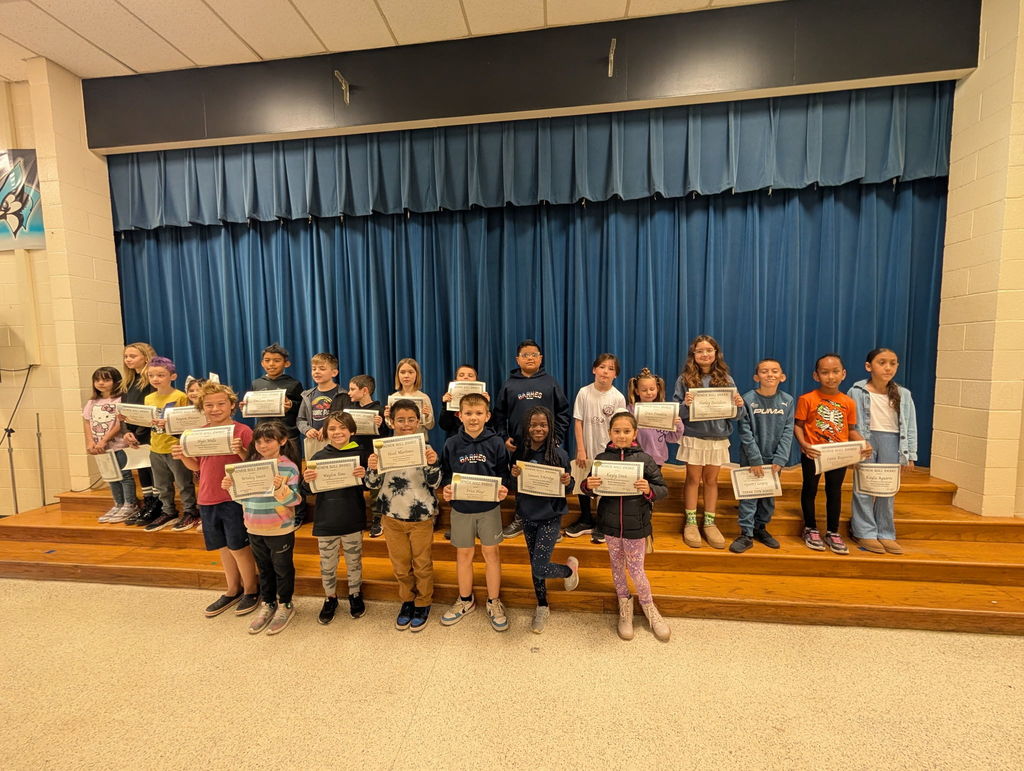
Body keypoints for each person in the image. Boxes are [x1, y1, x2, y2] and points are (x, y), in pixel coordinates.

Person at [172, 383, 260, 617]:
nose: (215, 409)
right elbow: (197, 467)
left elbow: (253, 465)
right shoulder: (197, 433)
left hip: (234, 498)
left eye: (221, 403)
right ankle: (232, 589)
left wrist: (240, 450)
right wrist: (183, 457)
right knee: (222, 547)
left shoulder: (242, 431)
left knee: (239, 546)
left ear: (232, 405)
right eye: (209, 405)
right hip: (208, 497)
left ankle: (251, 589)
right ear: (202, 407)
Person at [581, 411, 670, 641]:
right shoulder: (602, 458)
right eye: (617, 431)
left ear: (635, 433)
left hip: (636, 525)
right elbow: (588, 487)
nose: (621, 436)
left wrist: (648, 489)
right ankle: (625, 606)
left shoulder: (645, 459)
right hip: (610, 525)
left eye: (626, 431)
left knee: (637, 570)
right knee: (617, 567)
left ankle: (649, 607)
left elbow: (662, 489)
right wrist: (588, 485)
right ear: (609, 432)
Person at [365, 400, 442, 632]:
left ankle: (423, 602)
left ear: (418, 422)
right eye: (401, 420)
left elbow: (435, 483)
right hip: (391, 516)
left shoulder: (427, 448)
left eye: (411, 420)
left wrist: (433, 464)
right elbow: (371, 484)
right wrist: (372, 467)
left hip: (421, 517)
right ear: (391, 421)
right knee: (400, 565)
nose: (406, 424)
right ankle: (407, 600)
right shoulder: (382, 448)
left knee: (421, 563)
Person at [440, 393, 511, 631]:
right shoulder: (451, 443)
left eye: (478, 413)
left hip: (489, 508)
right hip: (461, 508)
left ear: (487, 416)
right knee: (464, 556)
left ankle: (494, 601)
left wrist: (504, 488)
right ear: (459, 415)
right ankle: (465, 600)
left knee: (492, 554)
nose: (473, 418)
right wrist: (447, 488)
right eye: (468, 413)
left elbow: (504, 473)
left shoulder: (496, 442)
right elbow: (446, 473)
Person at [222, 420, 302, 635]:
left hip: (280, 528)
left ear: (282, 441)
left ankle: (285, 604)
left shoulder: (289, 466)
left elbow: (295, 500)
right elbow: (243, 500)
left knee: (282, 569)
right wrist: (231, 488)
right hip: (254, 526)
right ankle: (268, 603)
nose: (262, 445)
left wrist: (280, 488)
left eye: (268, 441)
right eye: (258, 441)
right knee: (264, 568)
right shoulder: (249, 466)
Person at [794, 353, 873, 555]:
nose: (831, 376)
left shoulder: (848, 402)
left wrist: (863, 443)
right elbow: (798, 426)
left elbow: (851, 429)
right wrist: (803, 444)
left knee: (834, 491)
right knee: (810, 488)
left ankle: (832, 531)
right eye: (825, 372)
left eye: (835, 371)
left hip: (838, 454)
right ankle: (810, 527)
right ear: (816, 375)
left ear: (843, 374)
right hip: (813, 453)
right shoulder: (807, 399)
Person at [510, 406, 580, 633]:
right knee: (535, 564)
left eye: (542, 425)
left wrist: (567, 481)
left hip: (550, 516)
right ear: (526, 427)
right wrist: (514, 477)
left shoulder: (559, 454)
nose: (537, 429)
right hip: (528, 514)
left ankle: (569, 571)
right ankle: (542, 605)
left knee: (540, 567)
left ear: (549, 427)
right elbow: (514, 487)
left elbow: (569, 488)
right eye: (533, 425)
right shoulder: (521, 452)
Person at [673, 335, 745, 550]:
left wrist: (739, 406)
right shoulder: (684, 379)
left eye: (709, 350)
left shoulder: (727, 379)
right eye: (700, 351)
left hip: (717, 438)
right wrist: (685, 405)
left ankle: (710, 522)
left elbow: (736, 416)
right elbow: (677, 413)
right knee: (693, 479)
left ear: (716, 354)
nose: (705, 354)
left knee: (711, 480)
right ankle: (691, 522)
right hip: (694, 437)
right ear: (693, 355)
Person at [494, 340, 570, 539]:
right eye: (525, 355)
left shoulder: (550, 382)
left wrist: (557, 436)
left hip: (547, 445)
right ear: (517, 359)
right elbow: (499, 414)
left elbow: (563, 411)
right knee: (521, 481)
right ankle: (521, 518)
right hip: (520, 445)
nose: (530, 358)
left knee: (549, 482)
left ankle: (551, 523)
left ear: (541, 358)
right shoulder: (509, 384)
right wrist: (504, 437)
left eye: (534, 354)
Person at [847, 348, 919, 555]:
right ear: (869, 366)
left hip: (892, 441)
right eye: (882, 362)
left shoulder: (903, 394)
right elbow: (850, 423)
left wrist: (910, 454)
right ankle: (864, 531)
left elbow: (910, 425)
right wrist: (854, 448)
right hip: (866, 442)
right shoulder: (857, 391)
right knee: (864, 488)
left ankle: (886, 532)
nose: (888, 367)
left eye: (893, 363)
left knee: (887, 489)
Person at [302, 411, 368, 624]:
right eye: (332, 428)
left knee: (354, 561)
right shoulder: (319, 457)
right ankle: (330, 597)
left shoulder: (361, 454)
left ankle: (355, 594)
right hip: (326, 520)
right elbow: (307, 490)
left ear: (352, 431)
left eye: (342, 428)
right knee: (327, 564)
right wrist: (306, 480)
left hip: (352, 518)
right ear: (325, 432)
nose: (337, 432)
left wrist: (365, 476)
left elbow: (372, 484)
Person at [730, 359, 795, 553]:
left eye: (775, 371)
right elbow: (745, 431)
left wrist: (780, 459)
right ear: (756, 377)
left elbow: (788, 430)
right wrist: (755, 459)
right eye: (765, 371)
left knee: (768, 497)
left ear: (782, 377)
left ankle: (761, 528)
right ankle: (746, 533)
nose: (770, 375)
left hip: (774, 459)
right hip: (751, 459)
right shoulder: (748, 399)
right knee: (749, 496)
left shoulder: (788, 400)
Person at [565, 353, 626, 544]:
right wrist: (580, 449)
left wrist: (615, 452)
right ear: (594, 370)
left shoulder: (618, 398)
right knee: (583, 481)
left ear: (616, 374)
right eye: (602, 367)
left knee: (604, 486)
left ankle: (602, 523)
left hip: (607, 451)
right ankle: (585, 519)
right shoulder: (584, 393)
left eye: (610, 368)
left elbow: (620, 427)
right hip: (586, 448)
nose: (605, 372)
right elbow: (578, 422)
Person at [143, 356, 197, 532]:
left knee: (183, 482)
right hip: (156, 446)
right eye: (151, 375)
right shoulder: (149, 398)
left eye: (160, 375)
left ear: (172, 377)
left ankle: (190, 511)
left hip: (174, 447)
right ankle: (168, 511)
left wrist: (168, 423)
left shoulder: (180, 396)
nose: (156, 379)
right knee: (161, 484)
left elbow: (187, 422)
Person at [438, 364, 489, 540]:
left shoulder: (484, 400)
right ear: (455, 380)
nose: (466, 378)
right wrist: (446, 405)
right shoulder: (450, 399)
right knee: (457, 482)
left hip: (481, 446)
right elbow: (443, 425)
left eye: (470, 375)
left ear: (477, 380)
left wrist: (487, 402)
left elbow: (493, 423)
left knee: (479, 482)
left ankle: (481, 526)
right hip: (457, 446)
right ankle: (459, 526)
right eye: (461, 375)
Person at [83, 367, 138, 524]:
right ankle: (118, 504)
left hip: (118, 445)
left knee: (124, 475)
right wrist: (90, 441)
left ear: (116, 382)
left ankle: (130, 503)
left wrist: (104, 439)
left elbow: (119, 424)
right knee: (111, 476)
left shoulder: (120, 400)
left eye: (106, 380)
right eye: (97, 380)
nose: (101, 383)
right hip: (100, 448)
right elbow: (87, 422)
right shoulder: (92, 402)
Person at [120, 342, 160, 525]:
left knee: (153, 469)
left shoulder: (151, 382)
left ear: (146, 357)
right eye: (126, 356)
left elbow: (150, 410)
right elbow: (123, 411)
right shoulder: (128, 382)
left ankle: (158, 505)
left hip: (148, 433)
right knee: (142, 468)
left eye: (133, 356)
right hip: (132, 433)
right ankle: (147, 502)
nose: (128, 360)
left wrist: (140, 433)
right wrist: (126, 432)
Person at [347, 373, 389, 537]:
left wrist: (382, 425)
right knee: (355, 488)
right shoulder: (351, 410)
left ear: (364, 390)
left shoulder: (379, 410)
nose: (349, 393)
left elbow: (386, 435)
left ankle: (378, 520)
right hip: (355, 453)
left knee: (375, 490)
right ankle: (358, 520)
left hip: (373, 455)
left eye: (352, 389)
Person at [626, 367, 683, 465]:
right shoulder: (630, 410)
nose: (649, 393)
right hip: (635, 457)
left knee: (654, 481)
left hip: (657, 458)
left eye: (652, 389)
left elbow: (671, 438)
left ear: (658, 389)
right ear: (637, 391)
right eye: (644, 390)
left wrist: (677, 424)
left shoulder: (665, 410)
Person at [296, 352, 351, 447]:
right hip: (314, 442)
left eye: (322, 369)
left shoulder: (343, 395)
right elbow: (301, 419)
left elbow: (347, 420)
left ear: (334, 373)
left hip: (337, 442)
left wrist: (328, 428)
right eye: (314, 369)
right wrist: (307, 429)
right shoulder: (307, 395)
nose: (316, 371)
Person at [172, 377, 206, 531]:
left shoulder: (210, 409)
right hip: (190, 452)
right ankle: (202, 513)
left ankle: (208, 515)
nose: (194, 393)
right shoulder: (182, 412)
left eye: (198, 390)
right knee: (200, 482)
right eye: (191, 390)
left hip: (207, 450)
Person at [384, 358, 434, 434]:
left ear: (416, 374)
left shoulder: (424, 397)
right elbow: (391, 426)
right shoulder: (393, 398)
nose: (406, 376)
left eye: (411, 372)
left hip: (418, 440)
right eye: (402, 372)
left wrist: (427, 416)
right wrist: (387, 417)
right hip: (400, 441)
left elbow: (430, 426)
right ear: (398, 375)